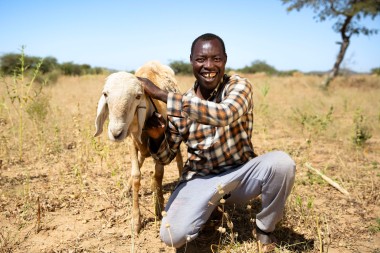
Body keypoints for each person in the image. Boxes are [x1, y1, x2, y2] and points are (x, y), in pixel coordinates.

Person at [138, 33, 296, 251]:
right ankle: (208, 207)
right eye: (201, 59)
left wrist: (161, 94)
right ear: (192, 60)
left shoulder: (238, 86)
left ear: (225, 59)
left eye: (216, 59)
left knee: (282, 163)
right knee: (172, 236)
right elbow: (165, 157)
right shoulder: (182, 103)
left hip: (240, 175)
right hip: (200, 179)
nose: (209, 66)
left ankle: (264, 229)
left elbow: (225, 114)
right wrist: (156, 137)